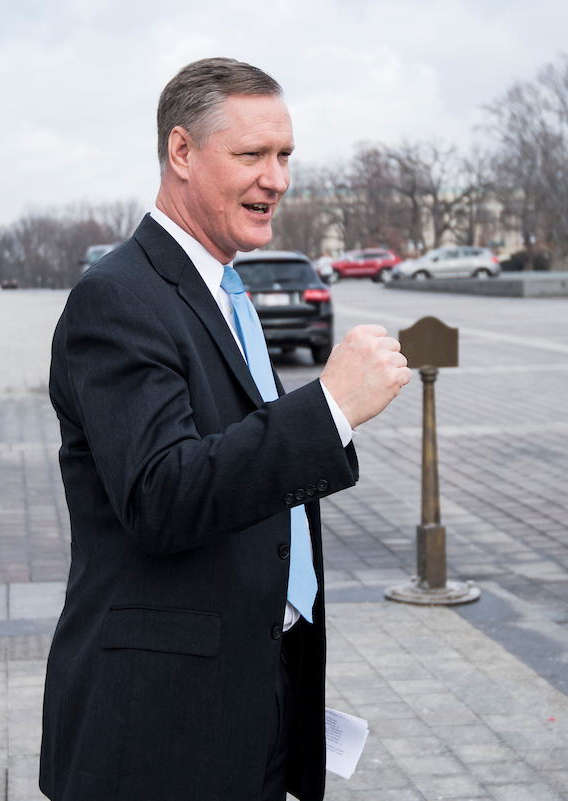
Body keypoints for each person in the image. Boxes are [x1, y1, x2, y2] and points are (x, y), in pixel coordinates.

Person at [40, 58, 410, 801]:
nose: (277, 179)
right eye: (251, 155)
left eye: (285, 156)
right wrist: (331, 406)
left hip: (259, 690)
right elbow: (163, 492)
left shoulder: (225, 289)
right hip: (161, 726)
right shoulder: (117, 298)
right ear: (181, 153)